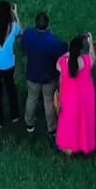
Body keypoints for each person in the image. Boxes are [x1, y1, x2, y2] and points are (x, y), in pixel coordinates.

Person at [21, 10, 67, 138]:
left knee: (31, 98)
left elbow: (23, 47)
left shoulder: (28, 34)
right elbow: (63, 51)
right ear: (48, 25)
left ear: (35, 24)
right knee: (48, 102)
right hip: (49, 77)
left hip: (32, 75)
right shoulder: (53, 41)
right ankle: (51, 128)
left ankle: (29, 124)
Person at [55, 32, 96, 156]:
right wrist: (91, 43)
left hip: (68, 98)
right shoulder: (87, 61)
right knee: (84, 122)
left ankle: (69, 148)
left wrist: (68, 54)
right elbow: (93, 57)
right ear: (80, 51)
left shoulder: (63, 63)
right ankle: (84, 145)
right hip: (85, 98)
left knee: (69, 122)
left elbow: (57, 64)